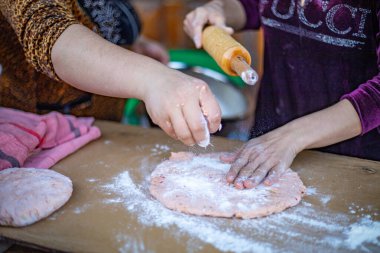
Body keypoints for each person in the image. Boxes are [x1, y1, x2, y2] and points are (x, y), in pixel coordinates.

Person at [184, 0, 380, 189]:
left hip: (354, 164)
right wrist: (220, 9)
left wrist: (291, 137)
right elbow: (254, 5)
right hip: (266, 150)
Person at [0, 0, 222, 147]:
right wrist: (152, 78)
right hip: (43, 141)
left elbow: (96, 15)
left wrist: (132, 45)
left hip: (104, 127)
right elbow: (50, 34)